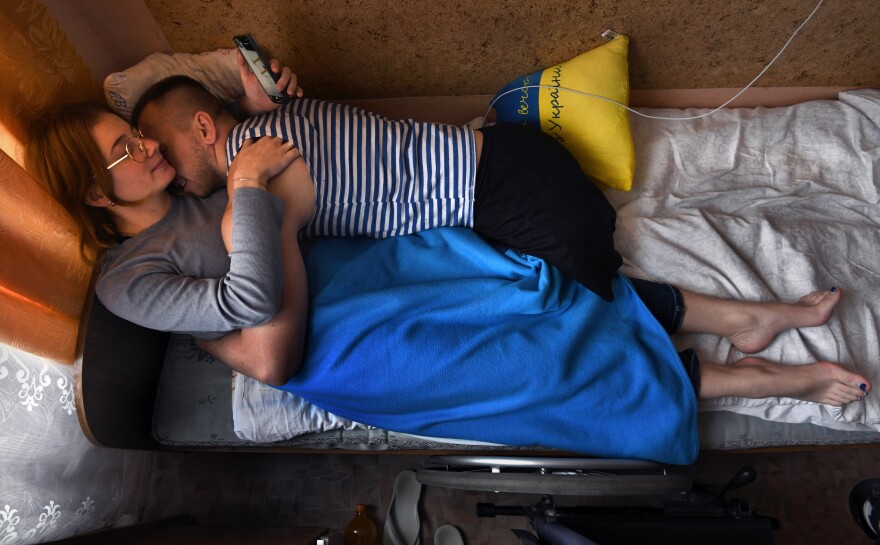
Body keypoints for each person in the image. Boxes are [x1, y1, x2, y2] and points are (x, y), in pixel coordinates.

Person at [24, 57, 870, 416]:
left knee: (581, 303)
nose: (154, 157)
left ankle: (739, 341)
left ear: (206, 130)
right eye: (128, 153)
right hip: (436, 223)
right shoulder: (138, 262)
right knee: (558, 316)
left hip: (476, 190)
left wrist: (248, 116)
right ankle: (741, 334)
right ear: (97, 191)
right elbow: (252, 331)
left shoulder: (247, 148)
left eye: (152, 143)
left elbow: (163, 96)